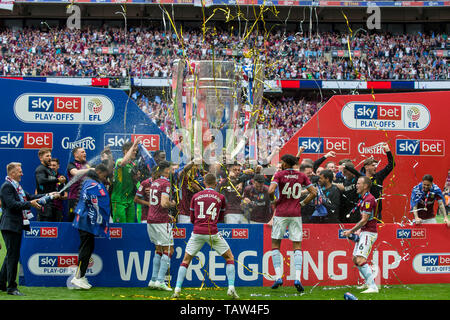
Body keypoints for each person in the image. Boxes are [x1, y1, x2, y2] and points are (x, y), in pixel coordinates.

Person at [172, 173, 239, 299]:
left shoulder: (196, 196)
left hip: (197, 232)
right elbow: (220, 218)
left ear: (204, 183)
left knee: (186, 260)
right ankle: (231, 288)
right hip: (212, 232)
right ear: (215, 183)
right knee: (229, 257)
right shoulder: (220, 197)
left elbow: (192, 218)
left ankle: (177, 290)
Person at [0, 162, 59, 295]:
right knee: (13, 256)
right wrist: (29, 204)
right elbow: (12, 205)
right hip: (10, 226)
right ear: (12, 173)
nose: (22, 173)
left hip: (15, 225)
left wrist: (49, 195)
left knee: (10, 255)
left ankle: (2, 283)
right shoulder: (7, 187)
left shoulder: (17, 187)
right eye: (19, 171)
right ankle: (12, 288)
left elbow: (31, 197)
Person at [268, 154, 317, 292]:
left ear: (285, 163)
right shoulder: (301, 176)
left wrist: (274, 201)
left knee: (276, 244)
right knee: (297, 246)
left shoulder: (279, 174)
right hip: (295, 214)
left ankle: (278, 277)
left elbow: (270, 190)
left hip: (281, 213)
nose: (281, 164)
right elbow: (313, 192)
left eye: (282, 162)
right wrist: (302, 203)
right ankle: (297, 278)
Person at [71, 163, 111, 290]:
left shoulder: (89, 182)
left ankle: (81, 276)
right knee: (85, 249)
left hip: (86, 221)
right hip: (85, 221)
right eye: (104, 176)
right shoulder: (91, 183)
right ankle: (77, 277)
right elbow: (91, 197)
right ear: (98, 173)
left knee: (88, 248)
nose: (105, 179)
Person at [343, 176, 379, 294]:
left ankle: (373, 287)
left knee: (360, 259)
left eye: (359, 183)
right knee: (355, 259)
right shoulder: (363, 198)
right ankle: (368, 283)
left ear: (365, 186)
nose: (356, 185)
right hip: (364, 231)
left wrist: (351, 231)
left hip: (369, 233)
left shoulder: (369, 199)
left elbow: (364, 220)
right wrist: (359, 231)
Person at [147, 160, 177, 291]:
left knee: (158, 249)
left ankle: (153, 280)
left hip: (151, 219)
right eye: (172, 168)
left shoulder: (155, 182)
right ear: (166, 170)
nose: (173, 170)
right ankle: (160, 280)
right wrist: (173, 204)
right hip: (160, 221)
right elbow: (164, 203)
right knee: (169, 250)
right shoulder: (166, 183)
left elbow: (156, 203)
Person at [111, 137, 141, 223]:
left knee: (131, 227)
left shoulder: (133, 164)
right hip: (119, 200)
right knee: (121, 227)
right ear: (125, 151)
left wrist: (136, 178)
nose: (135, 152)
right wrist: (134, 144)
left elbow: (135, 182)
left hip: (130, 200)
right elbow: (124, 162)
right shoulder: (119, 161)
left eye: (136, 150)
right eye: (133, 150)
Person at [35, 148, 66, 222]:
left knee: (55, 229)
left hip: (54, 205)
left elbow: (55, 185)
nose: (49, 158)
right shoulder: (40, 169)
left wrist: (61, 186)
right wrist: (57, 180)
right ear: (41, 158)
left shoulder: (51, 171)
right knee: (45, 228)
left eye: (50, 156)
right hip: (44, 204)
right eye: (47, 156)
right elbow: (41, 181)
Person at [67, 147, 94, 222]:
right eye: (82, 152)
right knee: (72, 219)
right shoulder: (71, 164)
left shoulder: (88, 165)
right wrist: (90, 170)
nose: (85, 153)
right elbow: (75, 173)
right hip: (74, 198)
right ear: (76, 155)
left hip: (87, 198)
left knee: (85, 221)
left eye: (85, 152)